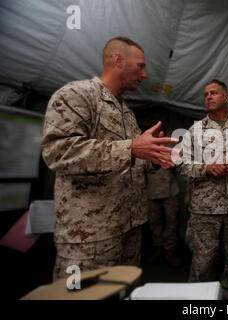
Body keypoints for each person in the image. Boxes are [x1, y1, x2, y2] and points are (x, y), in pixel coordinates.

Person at [41, 36, 178, 280]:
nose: (145, 74)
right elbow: (59, 153)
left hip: (128, 230)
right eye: (140, 66)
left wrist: (156, 157)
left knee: (121, 292)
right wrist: (132, 148)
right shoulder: (76, 96)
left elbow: (133, 160)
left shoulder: (126, 113)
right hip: (90, 238)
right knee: (81, 298)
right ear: (118, 60)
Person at [179, 80, 228, 299]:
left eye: (214, 93)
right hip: (205, 209)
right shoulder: (194, 131)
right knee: (202, 260)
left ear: (226, 97)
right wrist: (207, 168)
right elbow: (183, 166)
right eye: (205, 94)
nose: (209, 97)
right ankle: (199, 298)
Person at [147, 167, 181, 266]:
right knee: (154, 222)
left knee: (172, 222)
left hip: (170, 189)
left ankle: (169, 250)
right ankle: (159, 247)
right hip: (151, 190)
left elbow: (179, 164)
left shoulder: (174, 150)